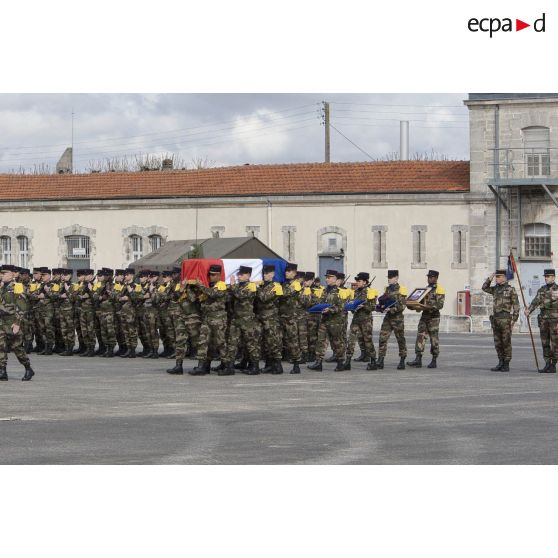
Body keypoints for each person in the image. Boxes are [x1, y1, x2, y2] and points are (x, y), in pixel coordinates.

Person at [189, 264, 228, 376]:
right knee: (203, 341)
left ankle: (227, 365)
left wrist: (201, 286)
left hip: (218, 319)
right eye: (210, 274)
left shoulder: (221, 285)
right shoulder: (208, 287)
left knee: (220, 343)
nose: (211, 277)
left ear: (219, 275)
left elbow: (214, 294)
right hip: (207, 318)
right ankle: (203, 366)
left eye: (213, 275)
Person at [222, 266, 260, 375]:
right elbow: (228, 298)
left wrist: (233, 286)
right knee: (232, 343)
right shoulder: (236, 286)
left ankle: (255, 366)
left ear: (248, 275)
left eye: (241, 274)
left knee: (251, 344)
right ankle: (229, 367)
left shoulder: (252, 286)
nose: (239, 276)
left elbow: (241, 295)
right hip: (236, 319)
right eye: (239, 274)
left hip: (247, 320)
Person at [0, 264, 35, 381]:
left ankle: (28, 368)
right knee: (1, 346)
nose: (1, 276)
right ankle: (2, 371)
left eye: (4, 273)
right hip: (1, 321)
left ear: (11, 275)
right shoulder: (1, 287)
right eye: (1, 273)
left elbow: (22, 305)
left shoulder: (17, 287)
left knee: (17, 347)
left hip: (12, 322)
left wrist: (17, 323)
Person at [307, 269, 346, 371]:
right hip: (324, 320)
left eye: (329, 277)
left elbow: (341, 307)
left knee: (337, 342)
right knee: (320, 341)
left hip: (335, 321)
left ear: (334, 279)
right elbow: (320, 302)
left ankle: (341, 362)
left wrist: (330, 309)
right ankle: (318, 362)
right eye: (326, 277)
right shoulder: (324, 290)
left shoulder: (340, 291)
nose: (327, 279)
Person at [482, 269, 519, 372]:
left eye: (498, 276)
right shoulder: (495, 289)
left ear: (504, 277)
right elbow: (484, 287)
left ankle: (506, 363)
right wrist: (491, 277)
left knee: (506, 342)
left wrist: (514, 320)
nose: (496, 278)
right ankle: (500, 361)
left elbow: (516, 305)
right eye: (496, 277)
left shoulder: (511, 290)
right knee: (497, 342)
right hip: (496, 318)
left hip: (506, 319)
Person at [407, 270, 445, 369]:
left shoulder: (439, 289)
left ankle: (434, 360)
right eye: (428, 277)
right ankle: (418, 359)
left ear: (436, 278)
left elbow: (440, 305)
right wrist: (412, 305)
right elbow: (419, 303)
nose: (429, 278)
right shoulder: (425, 289)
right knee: (420, 336)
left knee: (434, 338)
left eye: (431, 277)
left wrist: (427, 306)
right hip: (424, 316)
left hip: (433, 317)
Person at [525, 268, 558, 373]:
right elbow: (535, 302)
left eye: (548, 276)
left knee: (555, 344)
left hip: (554, 321)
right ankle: (547, 363)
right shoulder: (542, 289)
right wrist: (528, 310)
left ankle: (553, 364)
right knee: (545, 343)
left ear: (553, 277)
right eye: (545, 277)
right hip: (543, 320)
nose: (546, 278)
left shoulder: (557, 289)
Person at [344, 272, 378, 370]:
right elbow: (352, 303)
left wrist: (363, 306)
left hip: (366, 320)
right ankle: (347, 361)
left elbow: (373, 307)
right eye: (357, 281)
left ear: (365, 282)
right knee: (351, 340)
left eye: (359, 281)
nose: (357, 283)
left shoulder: (370, 292)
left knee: (368, 340)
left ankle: (373, 361)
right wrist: (351, 307)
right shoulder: (356, 292)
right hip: (356, 319)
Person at [255, 264, 284, 374]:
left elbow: (264, 298)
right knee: (265, 344)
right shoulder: (262, 286)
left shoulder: (276, 286)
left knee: (273, 342)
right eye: (264, 273)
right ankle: (269, 364)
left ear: (272, 274)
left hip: (271, 319)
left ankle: (278, 366)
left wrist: (257, 288)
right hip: (261, 317)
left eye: (267, 273)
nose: (265, 275)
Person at [377, 270, 408, 370]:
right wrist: (381, 307)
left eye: (391, 278)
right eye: (388, 278)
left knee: (400, 339)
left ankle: (402, 359)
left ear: (396, 278)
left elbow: (402, 306)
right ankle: (380, 360)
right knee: (382, 338)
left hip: (397, 319)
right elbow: (385, 301)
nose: (389, 279)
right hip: (388, 318)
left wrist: (391, 309)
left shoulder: (402, 289)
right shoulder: (387, 289)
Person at [278, 263, 302, 374]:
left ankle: (296, 364)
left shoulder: (296, 284)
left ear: (294, 273)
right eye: (286, 271)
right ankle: (278, 364)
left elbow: (285, 294)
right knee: (280, 340)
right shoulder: (284, 283)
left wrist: (275, 289)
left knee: (293, 341)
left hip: (291, 318)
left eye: (289, 271)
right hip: (282, 316)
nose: (287, 273)